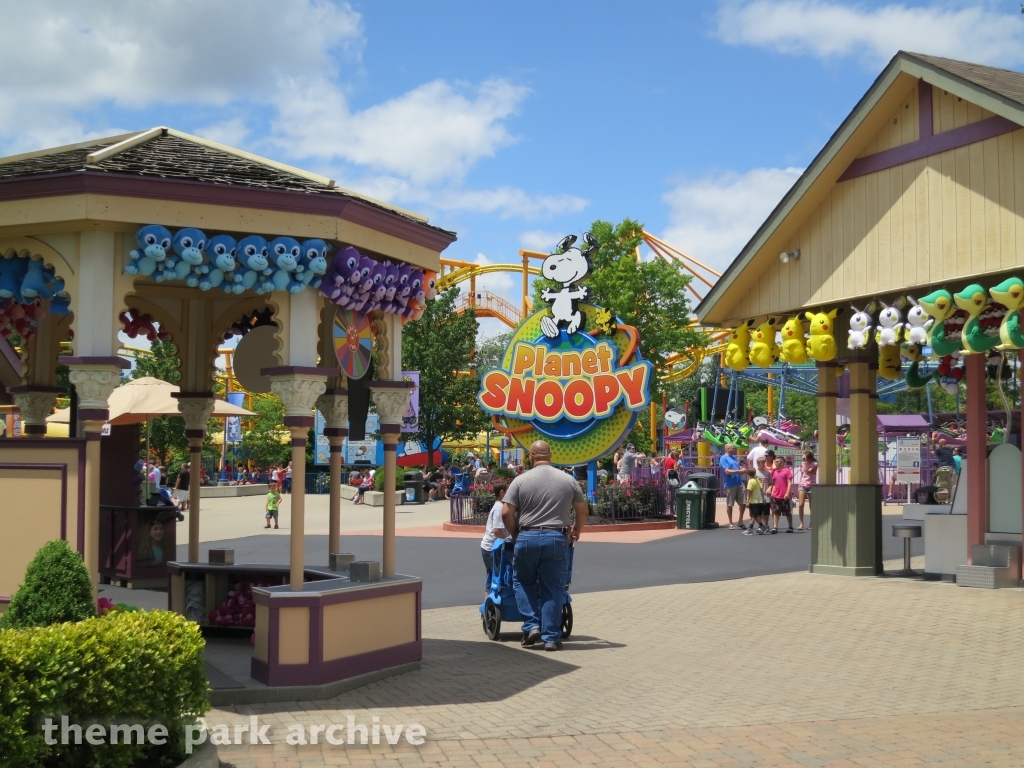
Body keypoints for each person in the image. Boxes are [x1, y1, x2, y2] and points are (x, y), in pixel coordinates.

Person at [502, 440, 588, 652]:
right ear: (550, 455)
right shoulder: (568, 480)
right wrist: (577, 530)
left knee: (522, 581)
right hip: (556, 538)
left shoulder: (520, 480)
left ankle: (531, 626)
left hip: (527, 536)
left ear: (531, 455)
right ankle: (551, 637)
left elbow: (506, 512)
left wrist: (515, 534)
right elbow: (582, 510)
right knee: (553, 587)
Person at [480, 481, 510, 597]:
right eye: (507, 491)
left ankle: (488, 599)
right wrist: (509, 539)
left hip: (489, 547)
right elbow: (497, 531)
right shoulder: (499, 508)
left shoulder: (499, 506)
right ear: (502, 492)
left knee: (492, 573)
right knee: (496, 574)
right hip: (492, 547)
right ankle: (493, 599)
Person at [719, 443, 746, 530]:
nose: (734, 449)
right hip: (730, 484)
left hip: (739, 483)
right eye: (732, 448)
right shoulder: (723, 458)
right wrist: (738, 471)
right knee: (730, 504)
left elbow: (737, 467)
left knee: (743, 503)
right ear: (727, 449)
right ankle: (730, 522)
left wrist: (742, 469)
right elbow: (727, 471)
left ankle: (740, 521)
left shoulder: (734, 458)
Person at [770, 456, 794, 533]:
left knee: (787, 512)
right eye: (775, 461)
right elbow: (774, 484)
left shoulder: (787, 471)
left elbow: (789, 483)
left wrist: (787, 493)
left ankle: (790, 526)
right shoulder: (774, 472)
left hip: (785, 496)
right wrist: (772, 493)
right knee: (776, 512)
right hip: (776, 495)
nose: (776, 463)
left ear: (782, 463)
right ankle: (775, 527)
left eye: (777, 461)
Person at [743, 468, 767, 535]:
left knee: (754, 515)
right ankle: (750, 528)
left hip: (753, 501)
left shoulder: (750, 481)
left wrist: (747, 501)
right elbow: (761, 490)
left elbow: (749, 492)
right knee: (754, 515)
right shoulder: (757, 480)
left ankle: (762, 526)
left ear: (748, 474)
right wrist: (763, 498)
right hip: (758, 500)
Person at [798, 450, 817, 530]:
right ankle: (801, 523)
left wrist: (805, 463)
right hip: (803, 485)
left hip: (811, 485)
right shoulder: (803, 464)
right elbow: (802, 474)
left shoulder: (814, 464)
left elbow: (808, 471)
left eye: (805, 457)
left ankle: (811, 524)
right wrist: (799, 484)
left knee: (811, 506)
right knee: (800, 504)